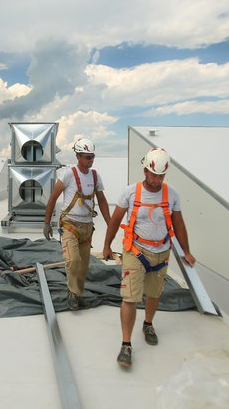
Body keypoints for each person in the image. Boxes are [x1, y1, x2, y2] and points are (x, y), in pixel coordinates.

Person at [102, 147, 196, 368]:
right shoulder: (130, 192)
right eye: (153, 175)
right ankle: (126, 345)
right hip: (136, 251)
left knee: (154, 295)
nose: (156, 180)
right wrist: (106, 245)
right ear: (145, 170)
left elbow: (179, 224)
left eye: (161, 176)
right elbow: (115, 221)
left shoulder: (172, 194)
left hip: (161, 252)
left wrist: (187, 251)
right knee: (130, 298)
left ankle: (148, 323)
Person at [44, 138, 111, 311]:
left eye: (92, 157)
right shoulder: (68, 174)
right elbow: (53, 198)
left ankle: (78, 294)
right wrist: (46, 223)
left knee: (83, 266)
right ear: (78, 156)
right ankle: (72, 294)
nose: (90, 160)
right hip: (70, 225)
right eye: (87, 157)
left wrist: (111, 224)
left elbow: (102, 201)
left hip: (87, 227)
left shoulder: (95, 176)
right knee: (73, 260)